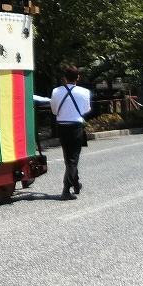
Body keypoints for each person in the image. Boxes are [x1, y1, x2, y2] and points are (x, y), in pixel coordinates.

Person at [50, 65, 92, 200]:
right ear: (78, 77)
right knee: (73, 159)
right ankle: (66, 190)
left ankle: (76, 184)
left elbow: (54, 111)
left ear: (64, 78)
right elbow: (86, 109)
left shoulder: (56, 91)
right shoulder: (85, 92)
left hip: (61, 126)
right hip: (76, 126)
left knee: (68, 157)